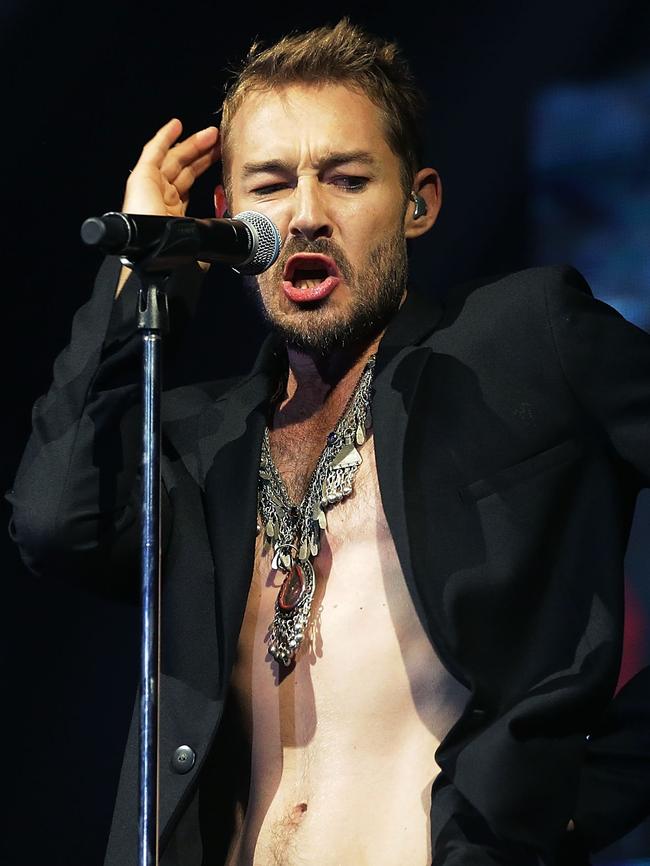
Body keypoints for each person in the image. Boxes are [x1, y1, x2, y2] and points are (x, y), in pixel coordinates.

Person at [8, 18, 650, 866]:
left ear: (418, 203)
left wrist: (589, 793)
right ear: (227, 221)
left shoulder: (522, 342)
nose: (306, 215)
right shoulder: (204, 443)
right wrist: (135, 285)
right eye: (270, 187)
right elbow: (55, 523)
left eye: (347, 180)